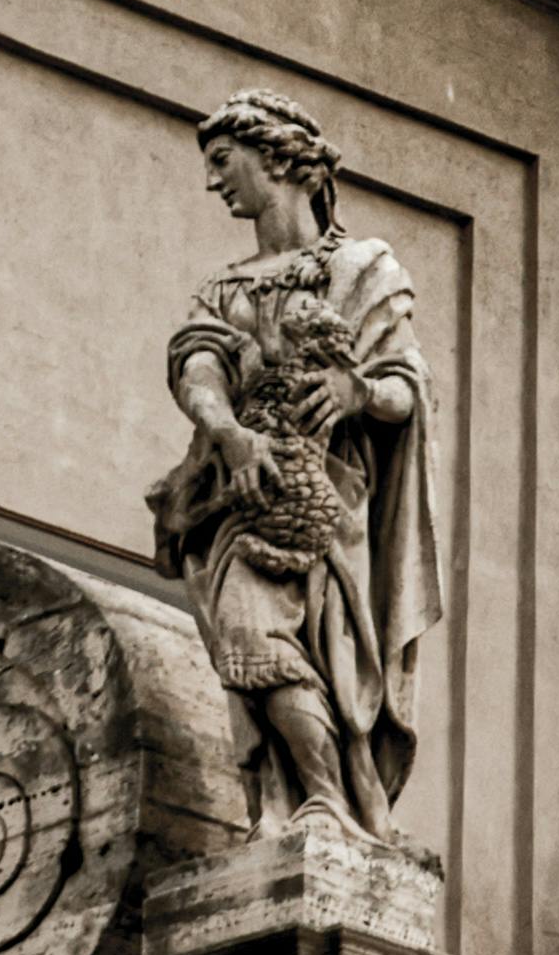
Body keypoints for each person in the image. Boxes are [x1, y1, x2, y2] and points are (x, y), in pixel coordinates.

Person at [149, 98, 438, 826]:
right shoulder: (224, 286)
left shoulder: (361, 266)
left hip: (327, 503)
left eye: (223, 162)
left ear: (275, 157)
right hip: (237, 496)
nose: (214, 182)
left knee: (301, 653)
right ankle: (315, 802)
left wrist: (356, 389)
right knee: (248, 645)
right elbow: (198, 365)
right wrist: (227, 431)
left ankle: (338, 802)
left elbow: (406, 386)